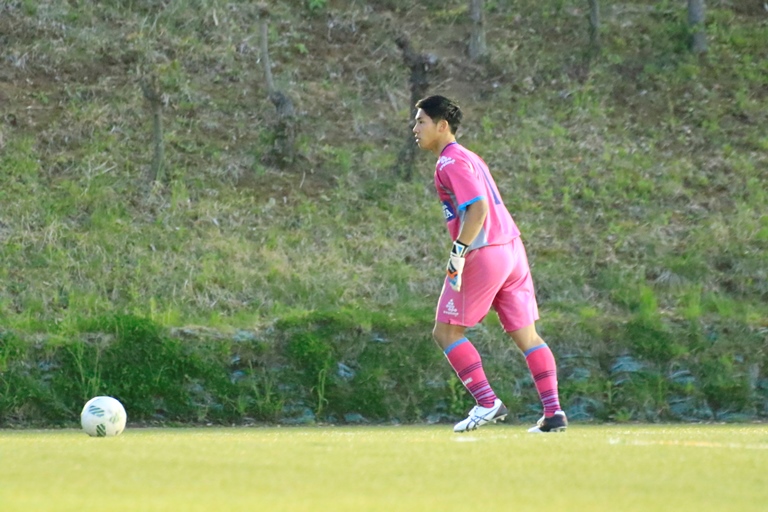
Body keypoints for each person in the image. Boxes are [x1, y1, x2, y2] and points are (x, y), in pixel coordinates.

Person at [412, 95, 567, 433]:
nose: (415, 128)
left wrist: (458, 253)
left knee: (446, 331)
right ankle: (553, 412)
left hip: (486, 252)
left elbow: (478, 208)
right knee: (528, 336)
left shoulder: (449, 162)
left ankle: (486, 402)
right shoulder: (471, 157)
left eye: (421, 121)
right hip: (512, 249)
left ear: (442, 126)